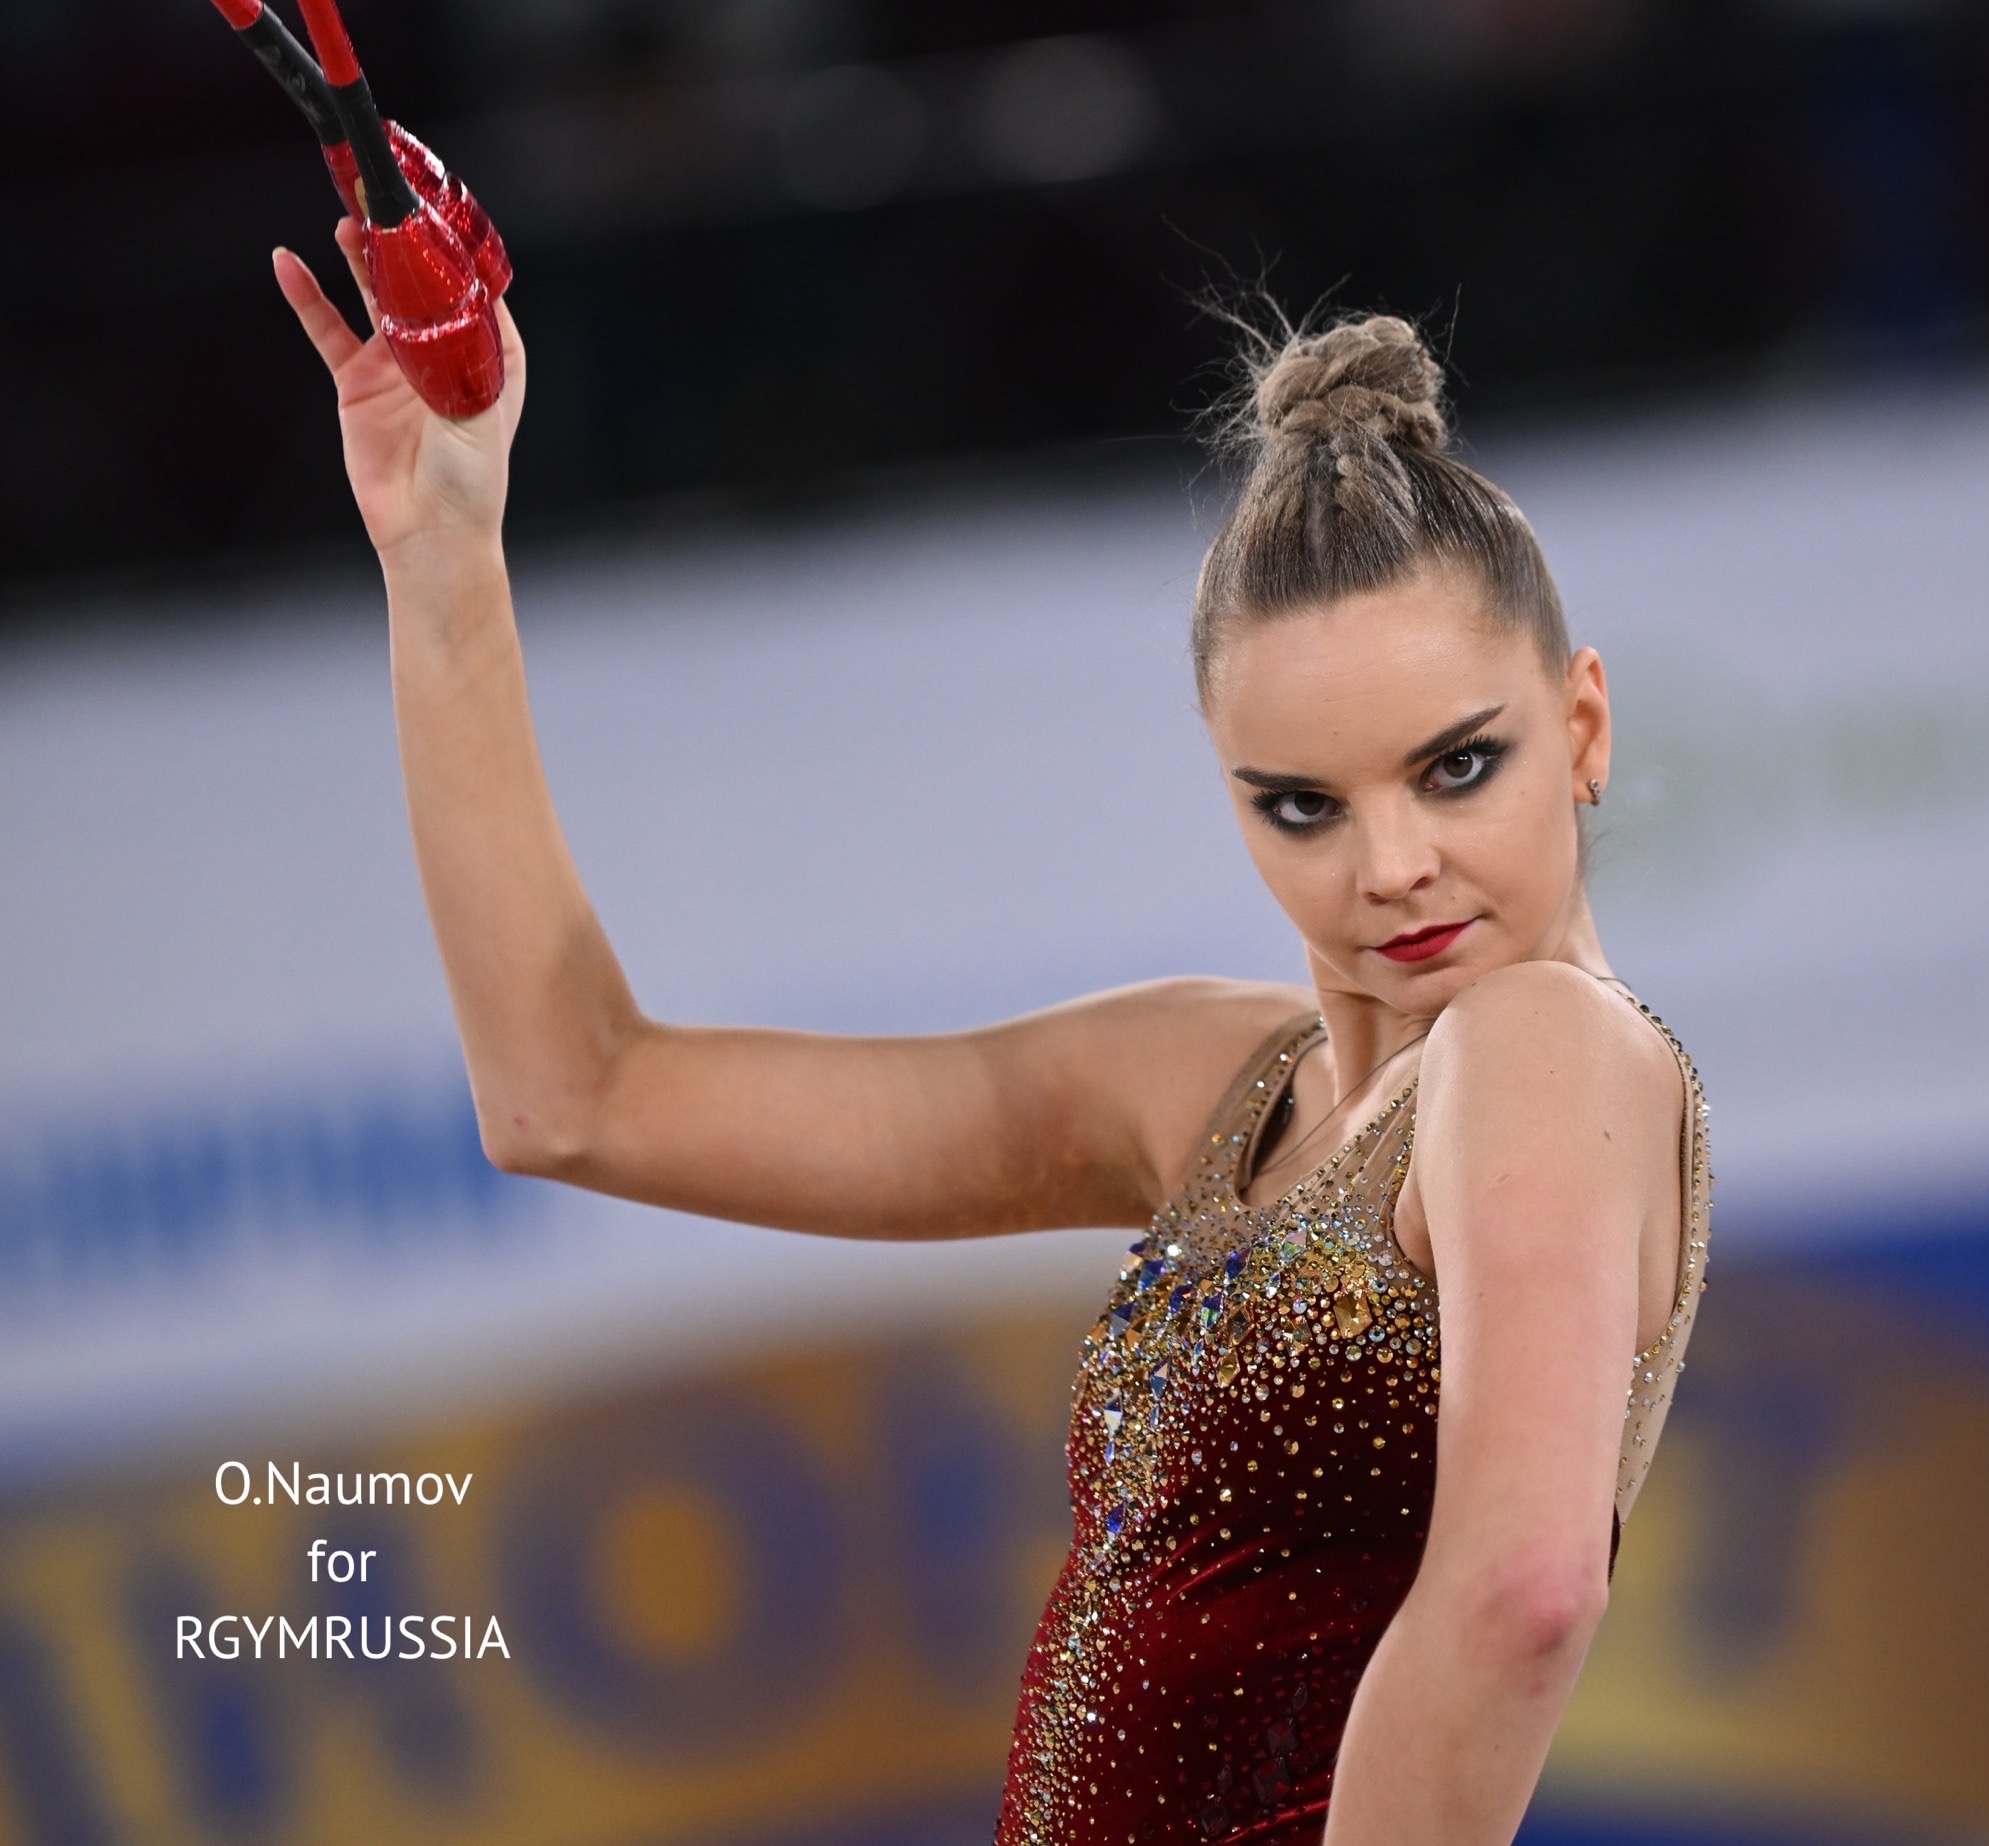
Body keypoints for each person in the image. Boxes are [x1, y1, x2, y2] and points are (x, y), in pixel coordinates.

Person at [273, 224, 1708, 1845]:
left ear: (1581, 723)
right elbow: (576, 1096)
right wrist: (440, 544)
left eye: (1457, 767)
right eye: (1302, 804)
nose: (1389, 868)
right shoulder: (1214, 1089)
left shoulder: (1543, 1041)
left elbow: (1522, 1591)